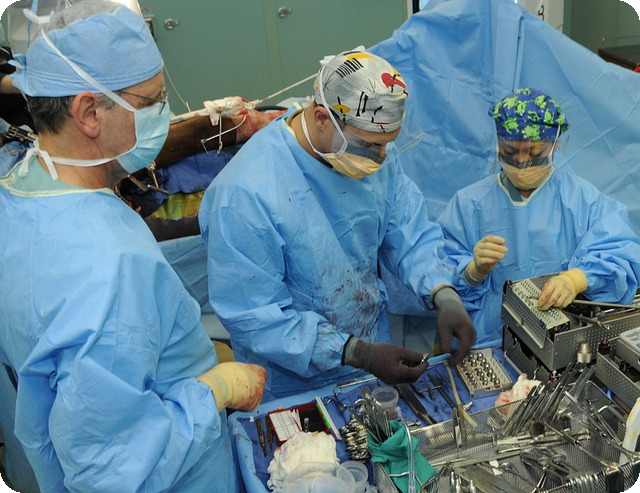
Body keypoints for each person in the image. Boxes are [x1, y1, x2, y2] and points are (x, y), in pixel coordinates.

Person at [0, 1, 267, 492]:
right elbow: (113, 470)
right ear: (88, 112)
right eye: (152, 102)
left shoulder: (20, 191)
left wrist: (182, 352)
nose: (164, 114)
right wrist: (213, 391)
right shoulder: (108, 265)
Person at [198, 49, 476, 400]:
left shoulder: (372, 154)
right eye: (370, 146)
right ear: (322, 118)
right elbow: (258, 318)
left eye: (387, 145)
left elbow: (408, 232)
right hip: (290, 380)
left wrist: (443, 293)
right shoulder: (244, 196)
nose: (381, 158)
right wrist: (355, 352)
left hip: (373, 349)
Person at [438, 87, 640, 348]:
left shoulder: (581, 200)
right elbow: (438, 273)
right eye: (510, 151)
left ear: (555, 145)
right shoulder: (469, 205)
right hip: (486, 342)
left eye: (534, 152)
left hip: (559, 343)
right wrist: (471, 272)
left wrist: (575, 279)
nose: (522, 162)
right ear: (498, 144)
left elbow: (621, 255)